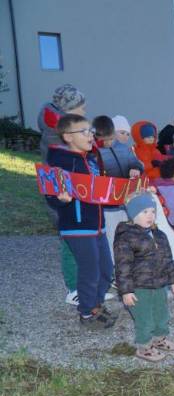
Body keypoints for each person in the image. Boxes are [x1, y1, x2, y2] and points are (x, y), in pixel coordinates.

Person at [46, 114, 115, 329]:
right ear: (68, 136)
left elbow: (101, 192)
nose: (90, 135)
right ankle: (86, 314)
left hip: (97, 225)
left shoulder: (92, 160)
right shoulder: (60, 162)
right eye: (84, 132)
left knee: (106, 269)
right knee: (90, 270)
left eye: (91, 131)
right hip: (77, 227)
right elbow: (50, 193)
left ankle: (96, 304)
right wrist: (60, 199)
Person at [113, 192, 174, 362]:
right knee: (144, 317)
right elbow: (123, 266)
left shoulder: (159, 235)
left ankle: (159, 338)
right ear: (133, 215)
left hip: (159, 284)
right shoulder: (126, 237)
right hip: (139, 287)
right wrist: (126, 291)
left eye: (152, 211)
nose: (150, 216)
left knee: (161, 313)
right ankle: (144, 347)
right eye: (144, 212)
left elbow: (167, 259)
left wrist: (173, 280)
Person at [37, 84, 86, 305]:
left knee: (84, 238)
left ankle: (87, 283)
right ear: (69, 108)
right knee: (71, 239)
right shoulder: (58, 133)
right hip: (62, 191)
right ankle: (74, 288)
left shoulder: (63, 128)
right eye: (81, 107)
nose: (84, 111)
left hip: (73, 188)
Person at [92, 115, 144, 263]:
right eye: (105, 140)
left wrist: (135, 168)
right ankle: (113, 265)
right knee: (110, 233)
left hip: (125, 198)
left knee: (126, 232)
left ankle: (128, 262)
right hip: (107, 201)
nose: (109, 143)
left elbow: (135, 163)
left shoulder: (124, 149)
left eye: (111, 139)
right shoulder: (94, 151)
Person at [37, 84, 87, 161]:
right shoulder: (68, 128)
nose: (84, 112)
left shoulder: (49, 118)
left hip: (49, 168)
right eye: (83, 109)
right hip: (67, 169)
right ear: (70, 110)